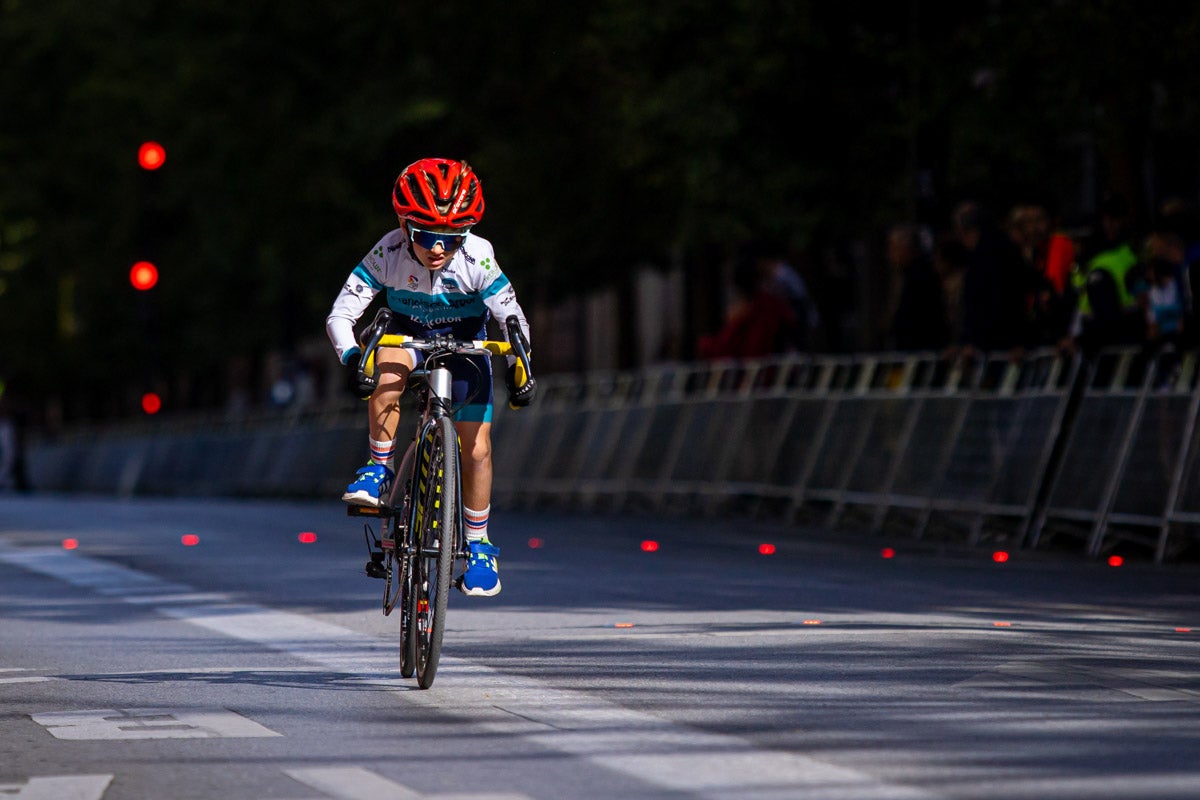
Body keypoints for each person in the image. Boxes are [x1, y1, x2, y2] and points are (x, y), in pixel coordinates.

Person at [325, 158, 535, 597]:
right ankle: (379, 467)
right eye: (426, 236)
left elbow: (512, 319)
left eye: (452, 239)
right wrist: (352, 354)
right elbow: (342, 314)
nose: (438, 249)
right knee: (388, 362)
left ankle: (478, 546)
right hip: (407, 335)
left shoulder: (479, 256)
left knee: (476, 446)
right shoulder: (387, 252)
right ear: (404, 226)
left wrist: (521, 363)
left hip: (464, 343)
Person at [884, 223, 950, 351]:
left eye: (894, 248)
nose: (890, 254)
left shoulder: (920, 276)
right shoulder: (907, 275)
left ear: (906, 248)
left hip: (918, 348)